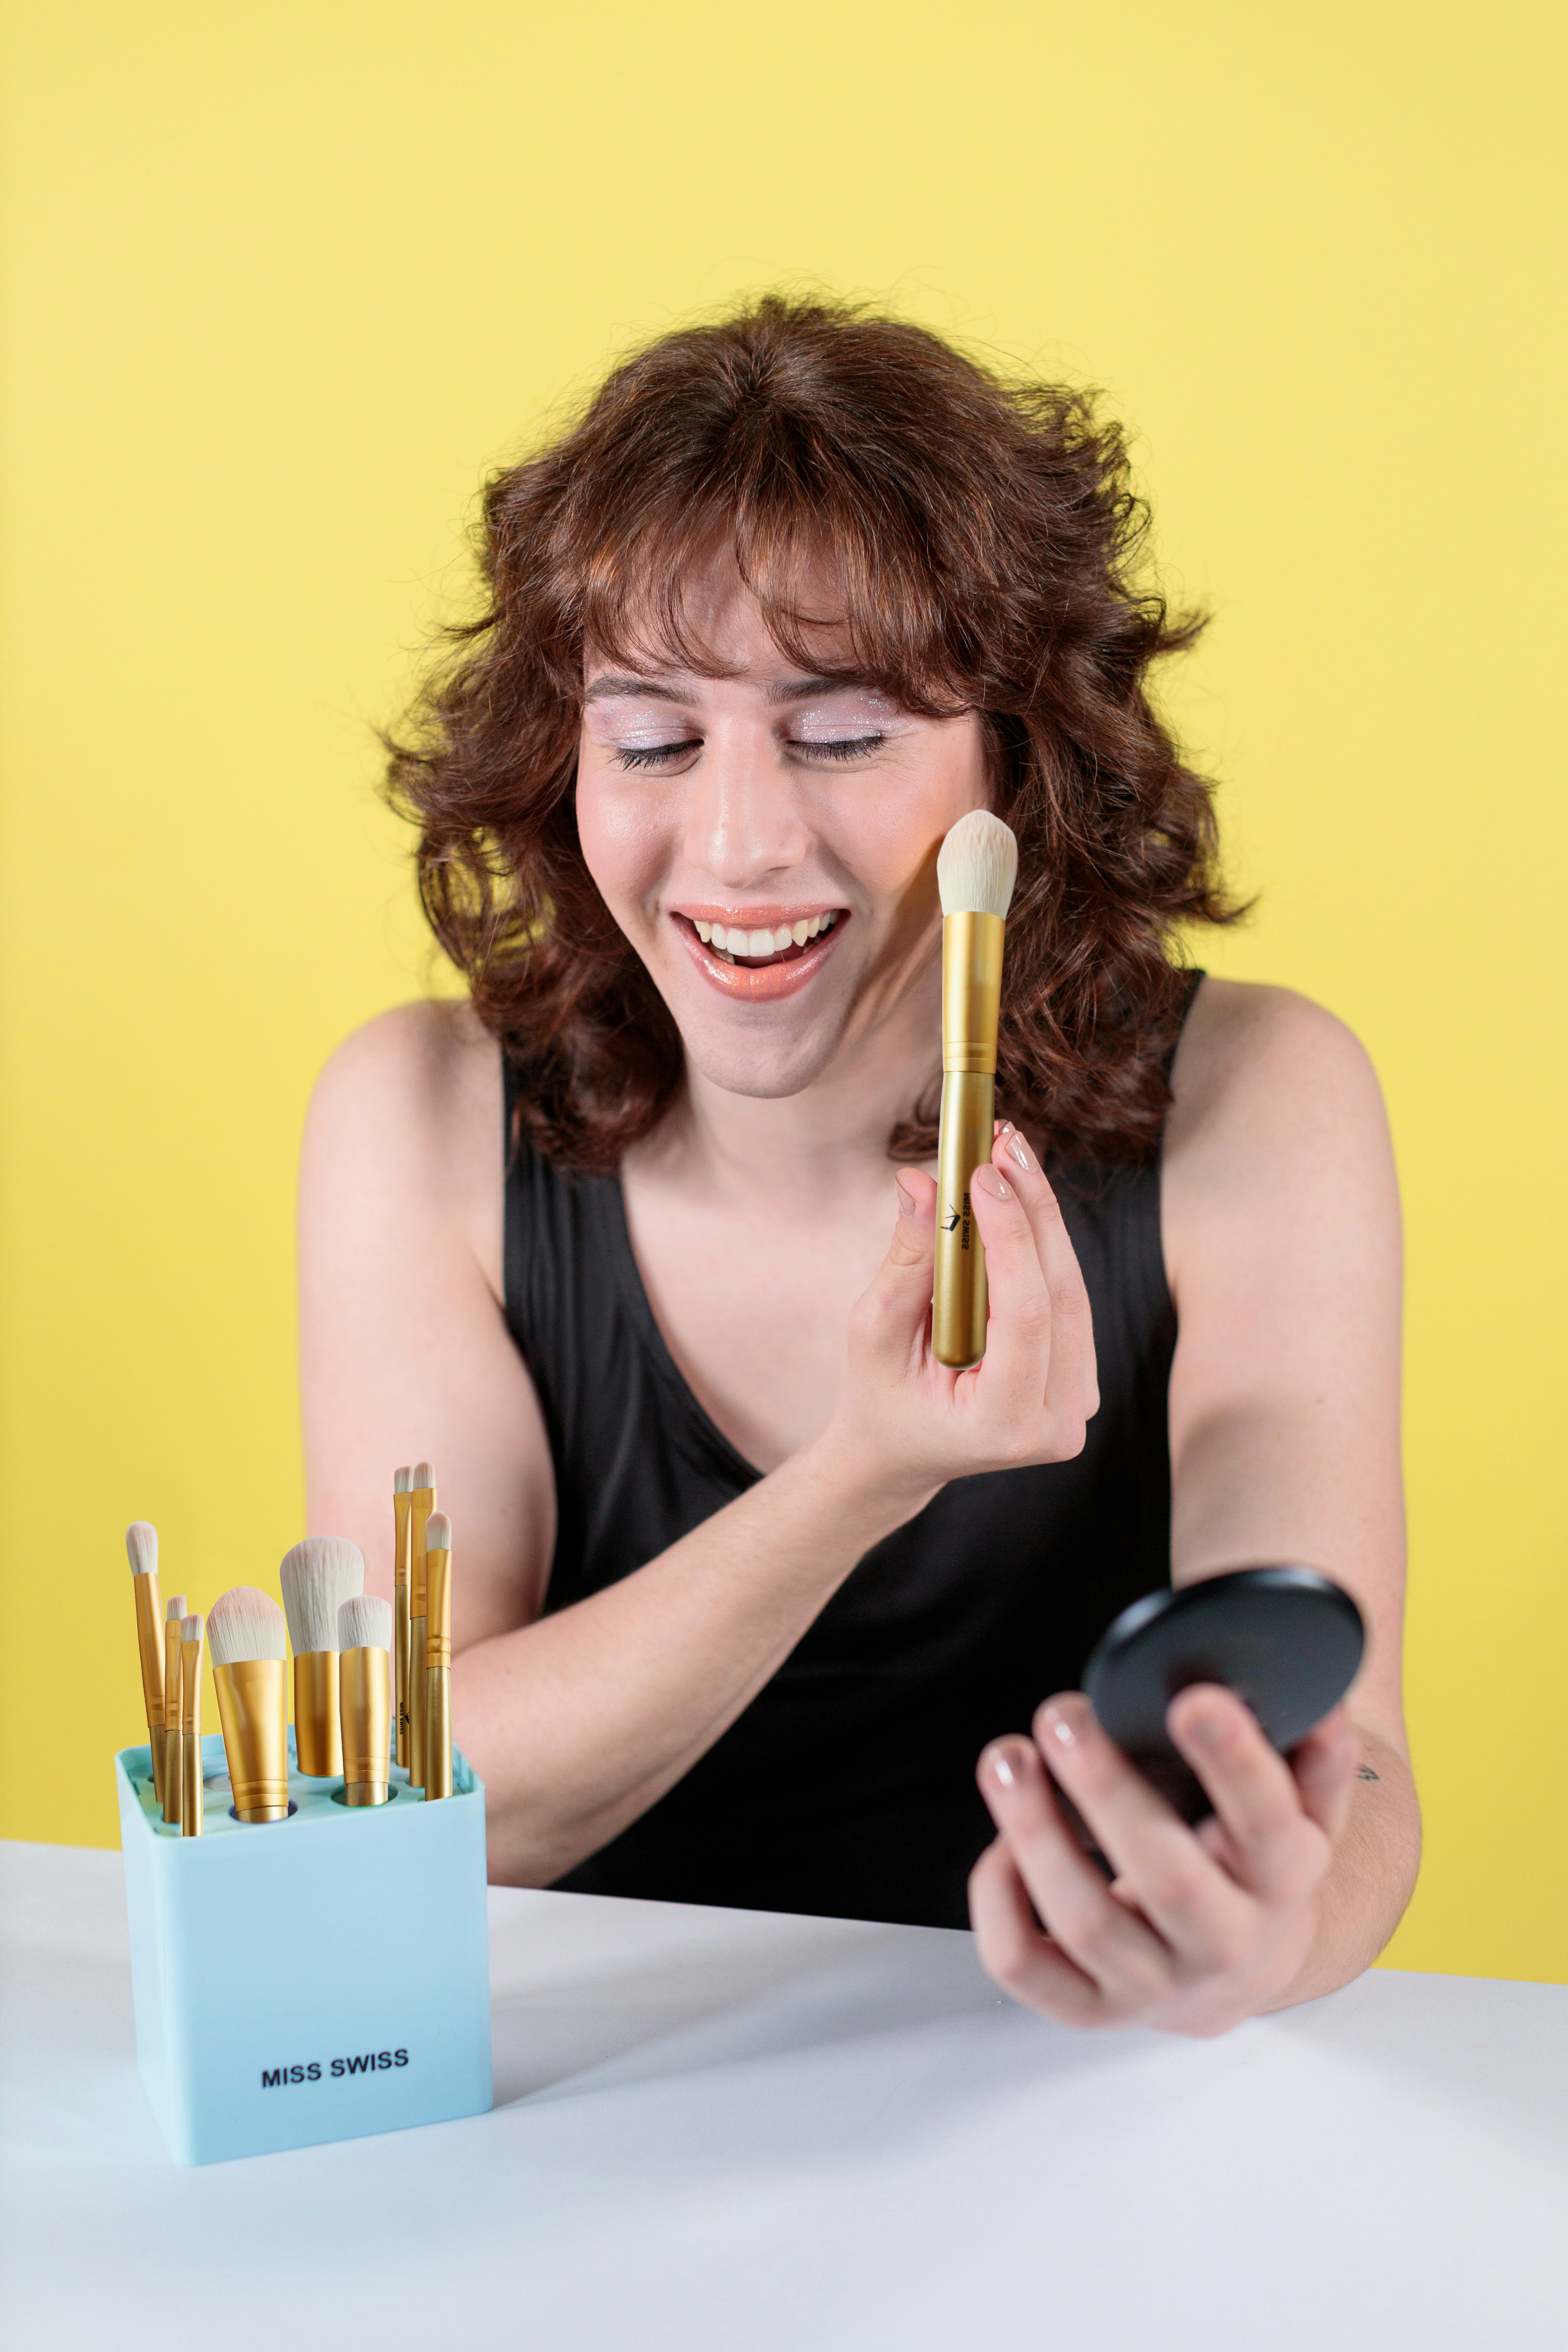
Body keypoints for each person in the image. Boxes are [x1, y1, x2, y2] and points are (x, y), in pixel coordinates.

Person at [300, 296, 1420, 2037]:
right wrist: (860, 1472)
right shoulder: (418, 1119)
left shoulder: (1258, 1099)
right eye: (653, 736)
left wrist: (1257, 1933)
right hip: (576, 2110)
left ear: (1015, 770)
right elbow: (396, 1802)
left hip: (1065, 2105)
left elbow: (1350, 1777)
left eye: (840, 736)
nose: (739, 843)